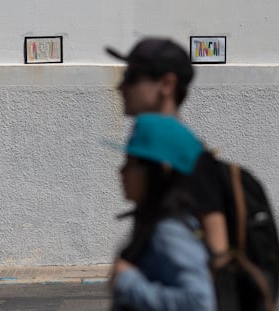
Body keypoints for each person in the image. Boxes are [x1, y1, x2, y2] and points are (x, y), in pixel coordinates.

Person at [106, 37, 229, 267]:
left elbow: (216, 269)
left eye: (132, 78)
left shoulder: (189, 157)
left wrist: (130, 283)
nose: (121, 86)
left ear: (167, 85)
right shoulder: (157, 152)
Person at [110, 113, 216, 311]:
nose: (121, 171)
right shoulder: (155, 220)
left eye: (131, 163)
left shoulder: (169, 230)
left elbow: (199, 302)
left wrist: (127, 282)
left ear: (157, 170)